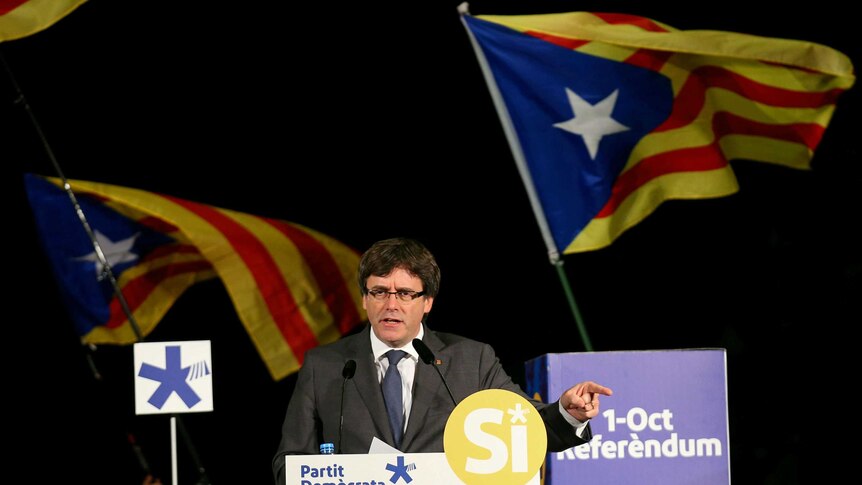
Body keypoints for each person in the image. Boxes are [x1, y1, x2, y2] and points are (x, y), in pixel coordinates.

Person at [272, 237, 612, 483]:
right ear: (364, 298)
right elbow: (288, 463)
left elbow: (526, 428)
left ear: (428, 301)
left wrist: (568, 413)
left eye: (405, 293)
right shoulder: (326, 366)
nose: (391, 304)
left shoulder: (470, 360)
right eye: (379, 292)